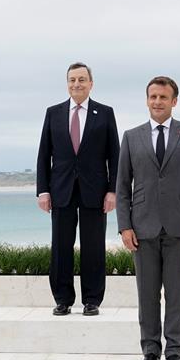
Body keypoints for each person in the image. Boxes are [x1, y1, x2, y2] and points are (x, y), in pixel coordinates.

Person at [115, 76, 180, 360]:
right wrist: (124, 226)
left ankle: (174, 353)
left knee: (177, 294)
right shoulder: (131, 136)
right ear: (147, 100)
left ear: (174, 101)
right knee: (147, 294)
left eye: (163, 97)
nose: (158, 102)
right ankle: (150, 352)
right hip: (142, 228)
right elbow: (122, 187)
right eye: (153, 97)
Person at [36, 62, 119, 316]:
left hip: (95, 191)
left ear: (91, 84)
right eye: (72, 80)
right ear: (67, 83)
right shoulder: (53, 113)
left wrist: (113, 190)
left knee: (93, 247)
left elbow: (114, 155)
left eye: (82, 79)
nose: (77, 84)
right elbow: (43, 154)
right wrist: (43, 190)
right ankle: (62, 299)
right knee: (61, 247)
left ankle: (92, 300)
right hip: (61, 190)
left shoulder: (104, 113)